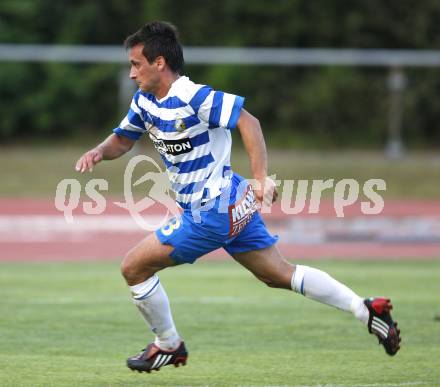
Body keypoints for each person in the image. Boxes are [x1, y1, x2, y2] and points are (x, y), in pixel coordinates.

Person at [75, 21, 401, 373]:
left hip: (212, 211)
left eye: (136, 64)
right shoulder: (145, 102)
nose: (131, 73)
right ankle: (365, 310)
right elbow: (124, 139)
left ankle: (169, 345)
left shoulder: (193, 97)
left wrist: (262, 179)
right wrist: (99, 151)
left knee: (133, 267)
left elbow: (249, 122)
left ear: (159, 63)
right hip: (232, 200)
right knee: (279, 274)